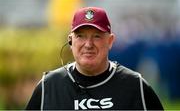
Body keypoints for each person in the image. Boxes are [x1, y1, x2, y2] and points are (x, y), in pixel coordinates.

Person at [26, 7, 164, 110]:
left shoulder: (135, 86)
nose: (88, 44)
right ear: (70, 41)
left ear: (110, 41)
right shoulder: (49, 86)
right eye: (80, 36)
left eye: (97, 36)